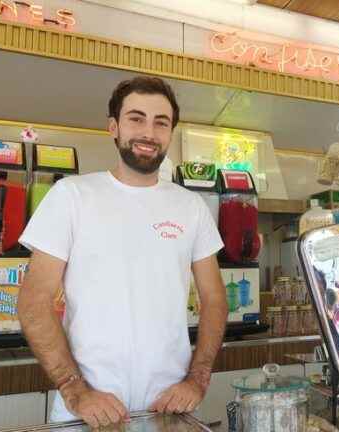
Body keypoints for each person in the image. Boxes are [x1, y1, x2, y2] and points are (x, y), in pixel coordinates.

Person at [17, 76, 228, 428]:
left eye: (161, 122)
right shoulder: (72, 196)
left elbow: (215, 298)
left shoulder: (190, 207)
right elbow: (33, 300)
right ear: (113, 127)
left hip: (169, 409)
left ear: (170, 132)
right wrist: (74, 389)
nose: (149, 132)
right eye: (136, 118)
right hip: (87, 412)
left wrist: (198, 378)